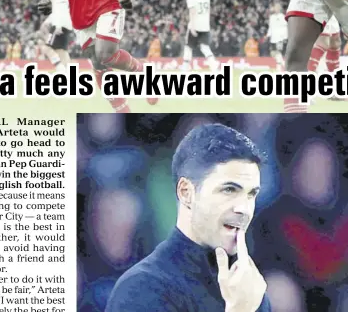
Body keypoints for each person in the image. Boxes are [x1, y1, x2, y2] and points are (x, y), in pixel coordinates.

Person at [105, 124, 270, 312]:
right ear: (186, 193)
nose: (244, 209)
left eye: (251, 194)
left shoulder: (248, 289)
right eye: (229, 190)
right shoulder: (141, 289)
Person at [183, 0, 218, 70]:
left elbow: (192, 12)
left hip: (195, 25)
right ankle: (215, 68)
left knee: (188, 47)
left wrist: (193, 27)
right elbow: (208, 12)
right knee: (205, 47)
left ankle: (184, 70)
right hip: (205, 26)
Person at [38, 0, 73, 72]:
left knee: (46, 47)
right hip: (67, 25)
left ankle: (60, 69)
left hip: (58, 24)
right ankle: (69, 75)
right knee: (61, 51)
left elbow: (59, 9)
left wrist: (53, 24)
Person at [267, 2, 288, 70]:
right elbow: (270, 27)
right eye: (275, 7)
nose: (275, 9)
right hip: (273, 38)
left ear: (279, 9)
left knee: (278, 52)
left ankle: (279, 68)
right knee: (273, 53)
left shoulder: (282, 16)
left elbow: (285, 27)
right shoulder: (272, 17)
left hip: (280, 38)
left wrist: (285, 36)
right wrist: (268, 35)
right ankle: (283, 64)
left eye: (277, 7)